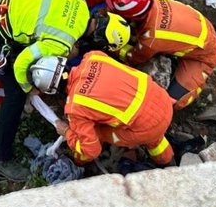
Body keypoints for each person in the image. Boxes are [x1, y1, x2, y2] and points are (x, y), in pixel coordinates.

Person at [0, 0, 131, 181]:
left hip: (2, 4)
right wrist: (30, 89)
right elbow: (21, 63)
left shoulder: (78, 0)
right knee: (16, 96)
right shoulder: (62, 42)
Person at [30, 52, 174, 166]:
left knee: (94, 134)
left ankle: (79, 162)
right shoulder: (93, 56)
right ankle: (167, 161)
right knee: (154, 136)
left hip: (148, 128)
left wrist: (67, 132)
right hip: (164, 100)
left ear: (51, 90)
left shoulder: (76, 108)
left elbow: (92, 150)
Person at [106, 0, 216, 109]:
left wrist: (115, 49)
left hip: (204, 54)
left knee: (172, 101)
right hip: (200, 24)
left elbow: (133, 58)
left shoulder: (152, 38)